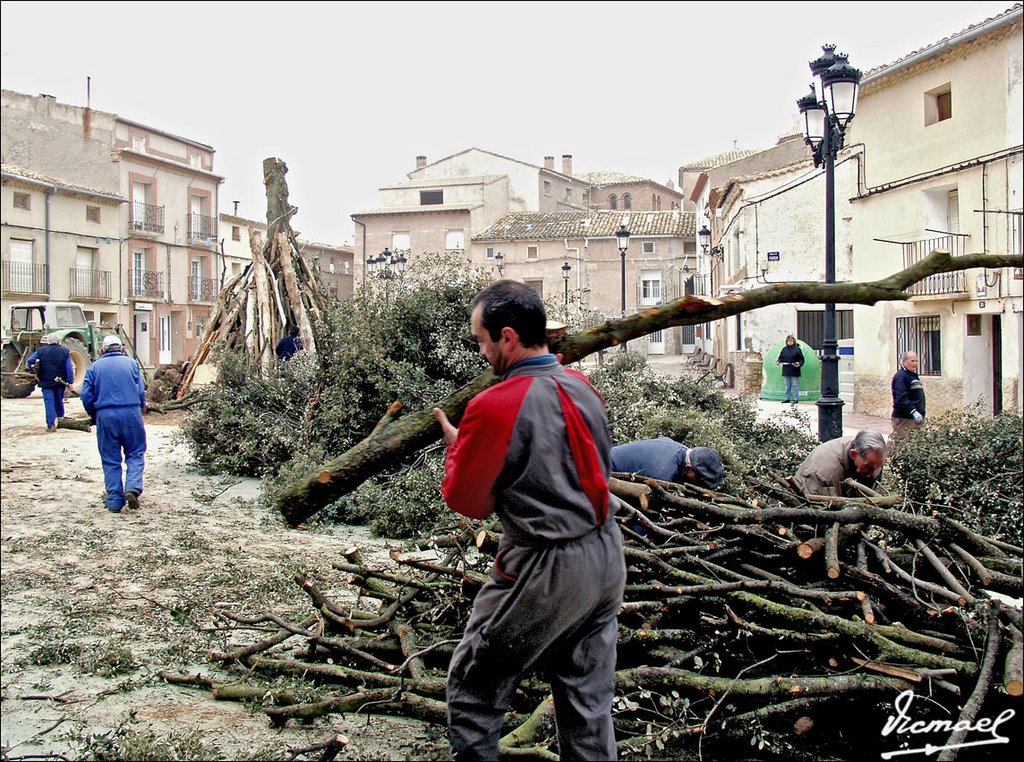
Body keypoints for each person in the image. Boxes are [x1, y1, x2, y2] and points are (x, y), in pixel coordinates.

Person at [431, 280, 625, 761]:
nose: (482, 352)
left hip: (546, 566)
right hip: (606, 556)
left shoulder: (496, 405)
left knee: (475, 686)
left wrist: (459, 449)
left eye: (482, 341)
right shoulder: (583, 388)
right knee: (587, 706)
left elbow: (469, 503)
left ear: (508, 337)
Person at [80, 335, 147, 514]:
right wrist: (142, 407)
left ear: (102, 350)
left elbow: (86, 395)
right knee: (135, 452)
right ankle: (132, 487)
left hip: (105, 415)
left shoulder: (94, 367)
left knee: (110, 459)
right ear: (122, 348)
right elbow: (141, 390)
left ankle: (115, 501)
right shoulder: (132, 364)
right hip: (131, 413)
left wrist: (94, 414)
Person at [792, 429, 888, 498]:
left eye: (878, 467)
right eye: (868, 467)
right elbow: (818, 512)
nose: (873, 472)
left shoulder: (873, 459)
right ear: (854, 454)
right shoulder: (825, 472)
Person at [611, 437, 725, 490]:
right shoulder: (661, 474)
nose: (699, 487)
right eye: (699, 482)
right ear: (689, 469)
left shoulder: (681, 450)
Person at [25, 333, 74, 432]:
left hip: (45, 381)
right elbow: (69, 368)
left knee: (49, 402)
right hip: (60, 382)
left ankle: (51, 425)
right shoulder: (65, 352)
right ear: (58, 341)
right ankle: (60, 421)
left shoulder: (41, 351)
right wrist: (70, 382)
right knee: (58, 402)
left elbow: (30, 361)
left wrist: (34, 371)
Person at [891, 350, 926, 440]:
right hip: (904, 419)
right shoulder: (901, 377)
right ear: (904, 362)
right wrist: (913, 411)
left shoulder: (913, 375)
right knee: (903, 444)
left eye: (916, 361)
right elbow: (901, 398)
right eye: (912, 361)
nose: (915, 364)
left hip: (915, 419)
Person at [776, 334, 805, 404]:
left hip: (794, 368)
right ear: (787, 341)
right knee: (787, 384)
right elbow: (781, 357)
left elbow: (802, 359)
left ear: (794, 341)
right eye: (788, 341)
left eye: (791, 341)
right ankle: (787, 398)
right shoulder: (784, 349)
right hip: (786, 368)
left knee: (795, 384)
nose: (790, 342)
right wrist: (778, 361)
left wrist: (799, 364)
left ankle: (796, 398)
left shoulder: (797, 349)